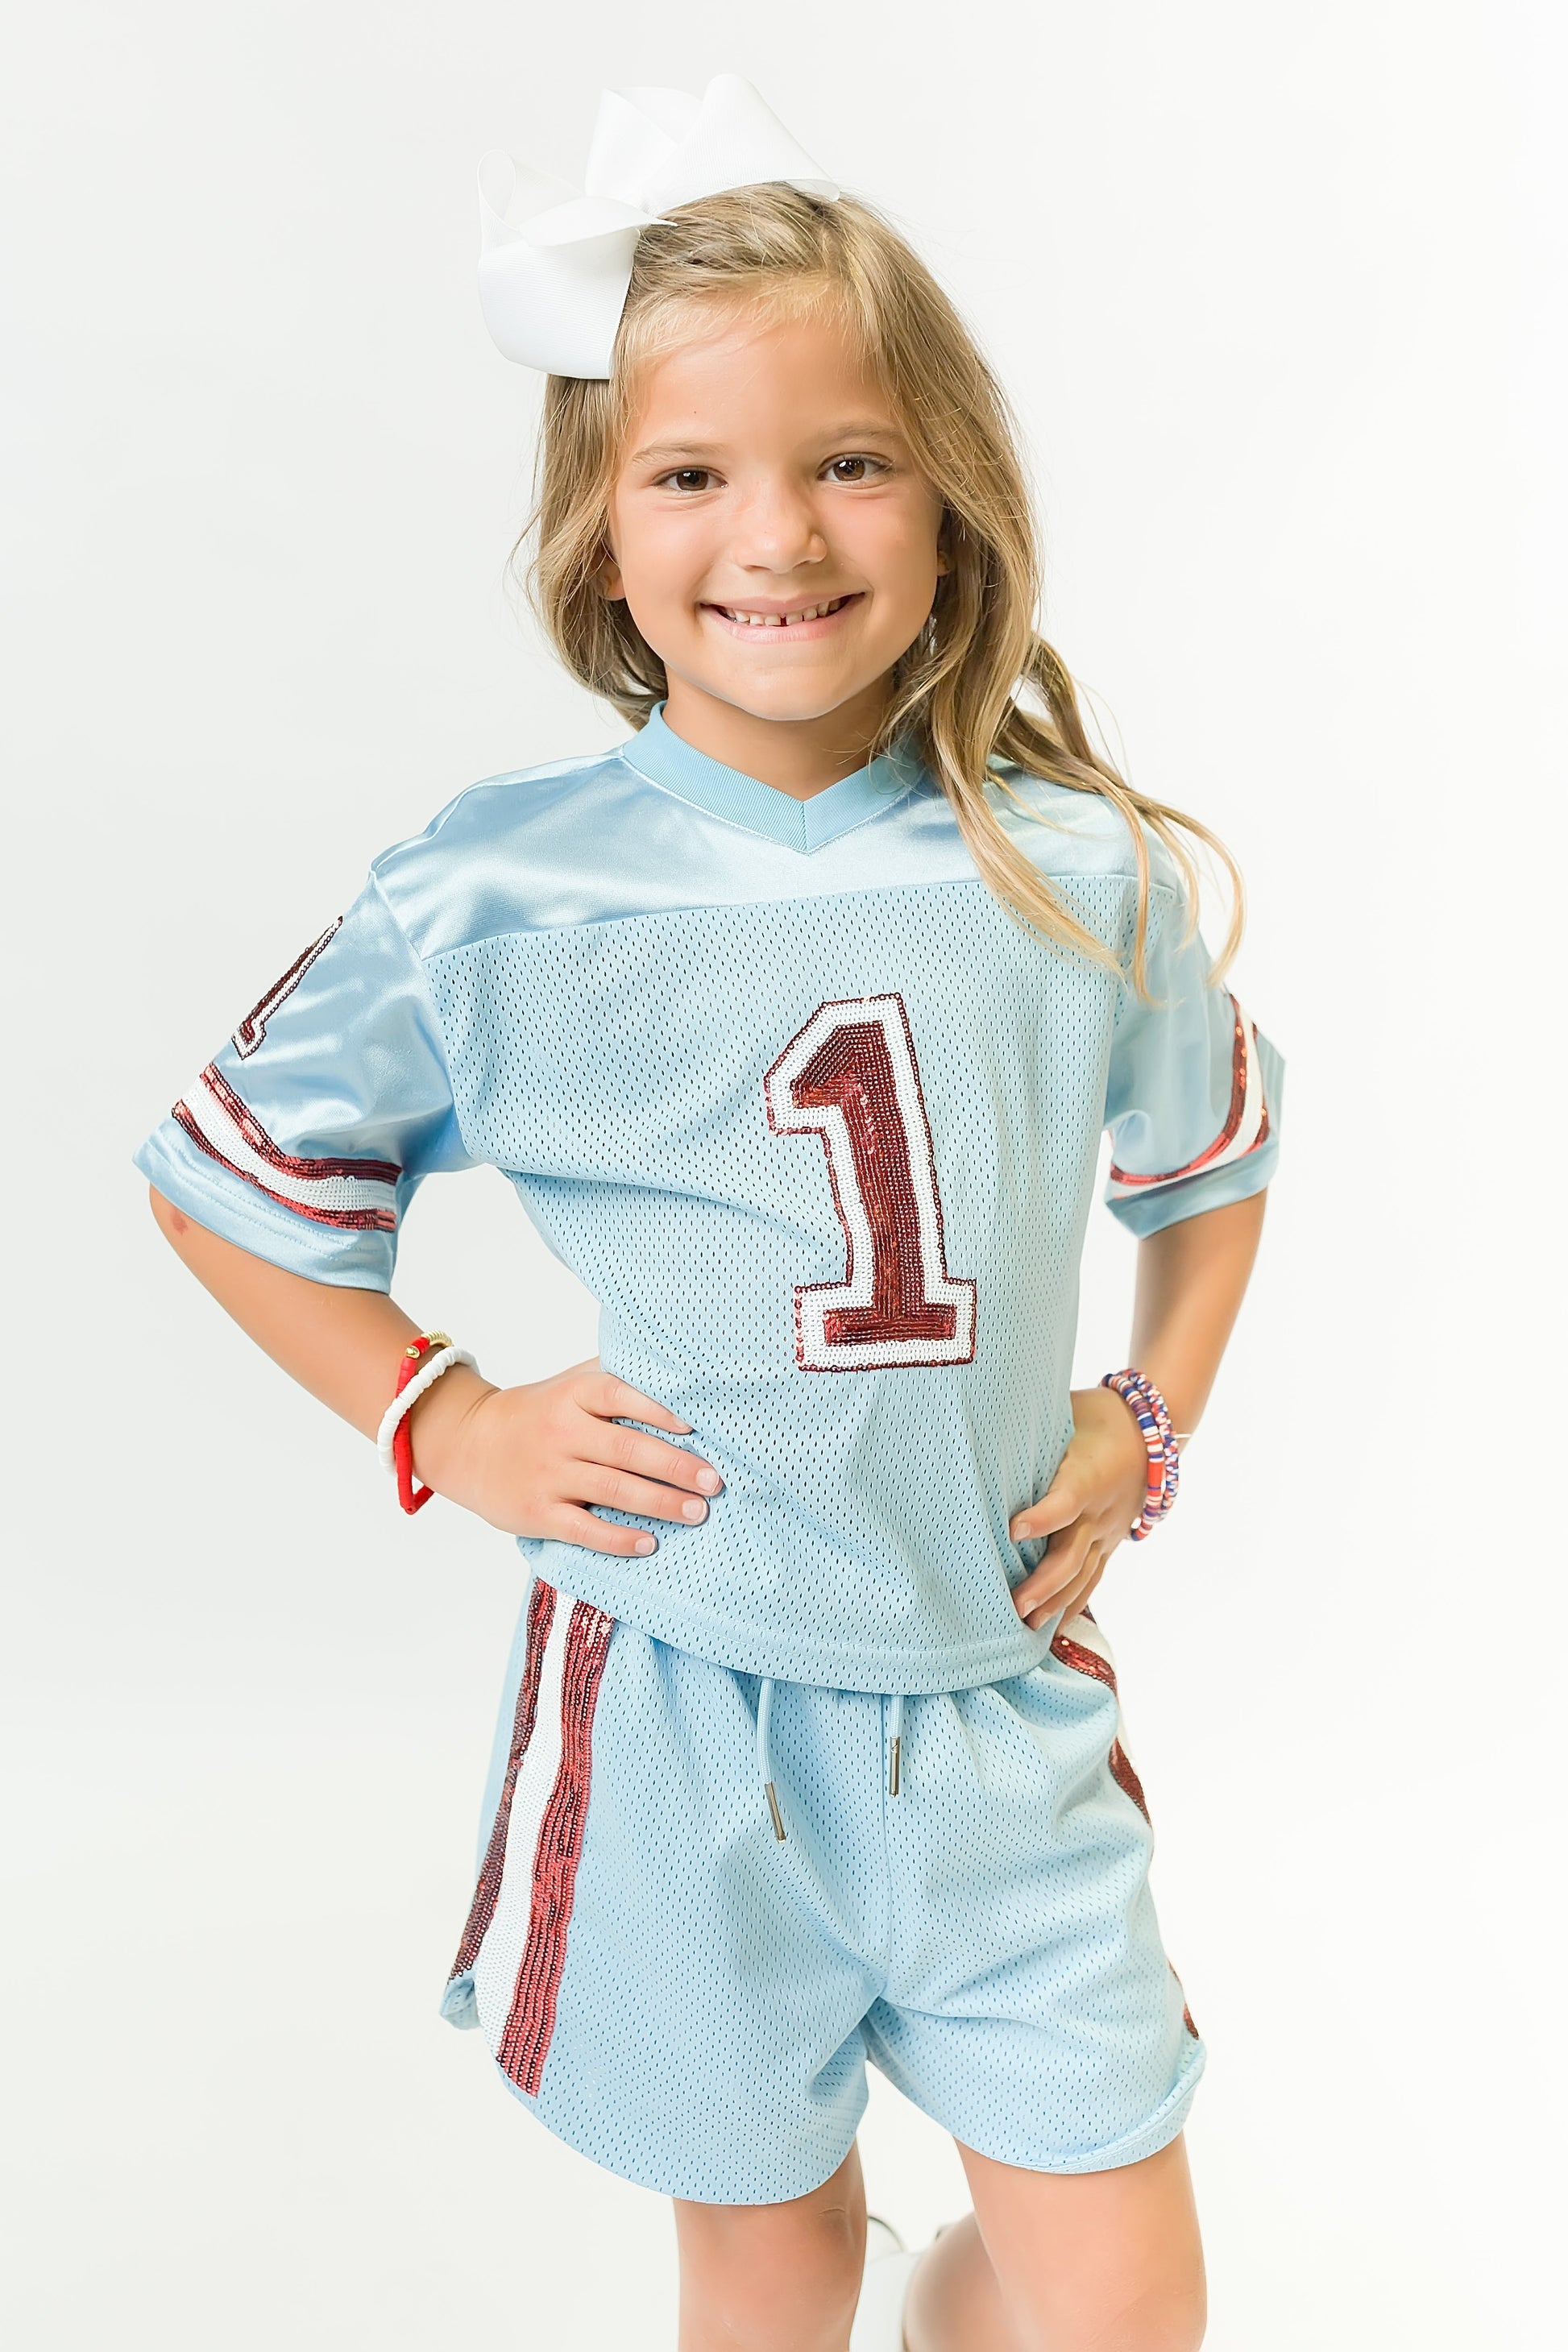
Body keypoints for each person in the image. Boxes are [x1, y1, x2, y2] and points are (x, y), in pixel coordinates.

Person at [135, 74, 1282, 2352]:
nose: (777, 533)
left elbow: (1214, 1170)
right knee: (765, 2261)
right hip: (677, 1702)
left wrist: (1142, 1423)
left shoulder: (1076, 868)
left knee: (1117, 2299)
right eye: (690, 475)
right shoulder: (496, 889)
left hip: (989, 1684)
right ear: (597, 529)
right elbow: (227, 1183)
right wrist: (448, 1418)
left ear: (951, 499)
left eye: (850, 459)